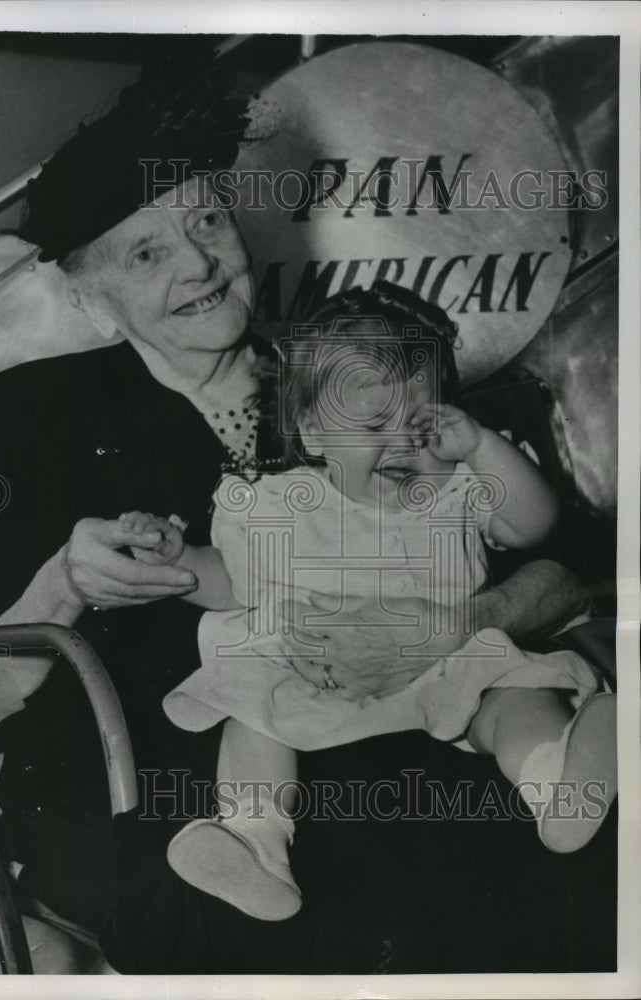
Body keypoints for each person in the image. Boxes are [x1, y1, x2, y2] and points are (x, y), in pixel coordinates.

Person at [0, 53, 612, 973]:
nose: (202, 262)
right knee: (324, 896)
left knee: (568, 862)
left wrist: (461, 620)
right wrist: (62, 582)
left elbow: (563, 569)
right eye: (148, 251)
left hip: (411, 724)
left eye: (207, 220)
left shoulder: (342, 372)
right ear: (90, 295)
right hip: (161, 768)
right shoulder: (40, 408)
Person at [121, 282, 616, 921]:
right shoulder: (282, 502)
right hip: (316, 675)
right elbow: (237, 582)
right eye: (374, 425)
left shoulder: (456, 489)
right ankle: (255, 838)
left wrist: (481, 448)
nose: (404, 443)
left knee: (513, 692)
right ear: (314, 432)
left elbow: (536, 524)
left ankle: (556, 781)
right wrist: (178, 559)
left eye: (424, 420)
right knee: (253, 709)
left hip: (452, 663)